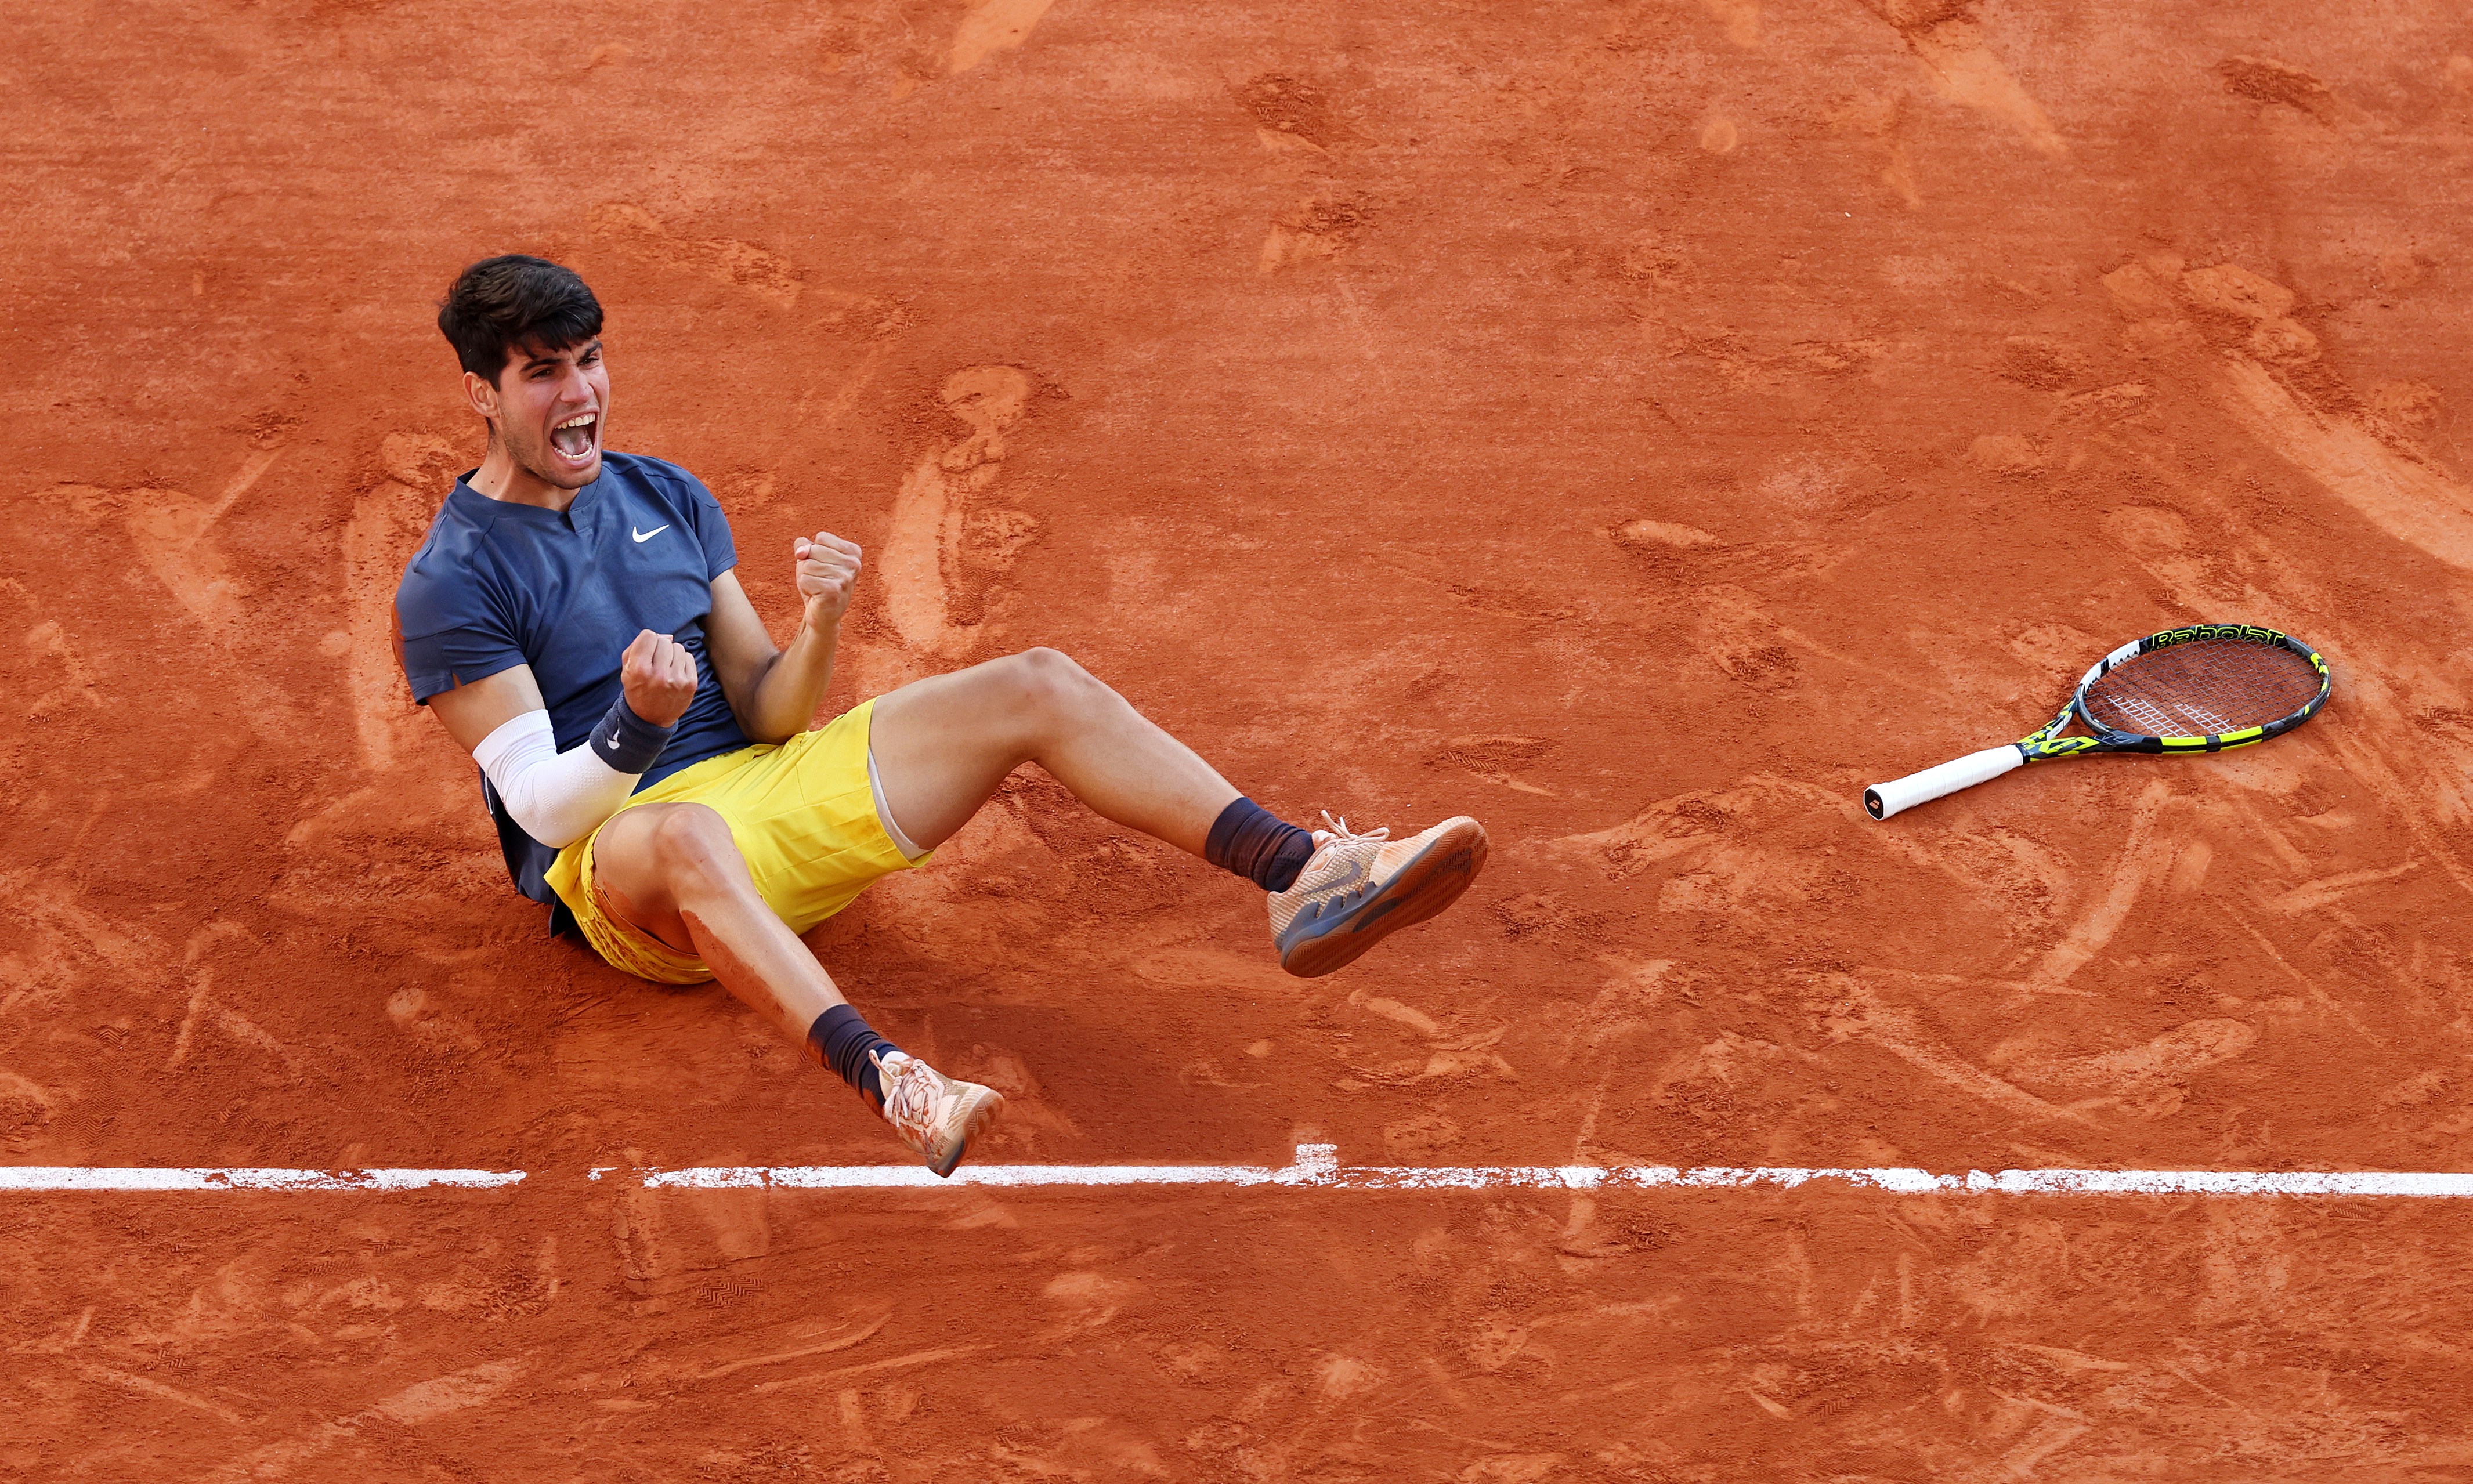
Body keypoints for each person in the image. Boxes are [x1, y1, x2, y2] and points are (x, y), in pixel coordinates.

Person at [393, 255, 1488, 1176]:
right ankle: (895, 1083)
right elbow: (542, 813)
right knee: (684, 831)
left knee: (1038, 681)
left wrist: (819, 624)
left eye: (588, 361)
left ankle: (1298, 872)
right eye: (543, 373)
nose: (578, 393)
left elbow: (773, 717)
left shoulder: (663, 495)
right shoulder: (452, 583)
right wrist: (632, 726)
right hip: (631, 869)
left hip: (764, 801)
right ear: (481, 394)